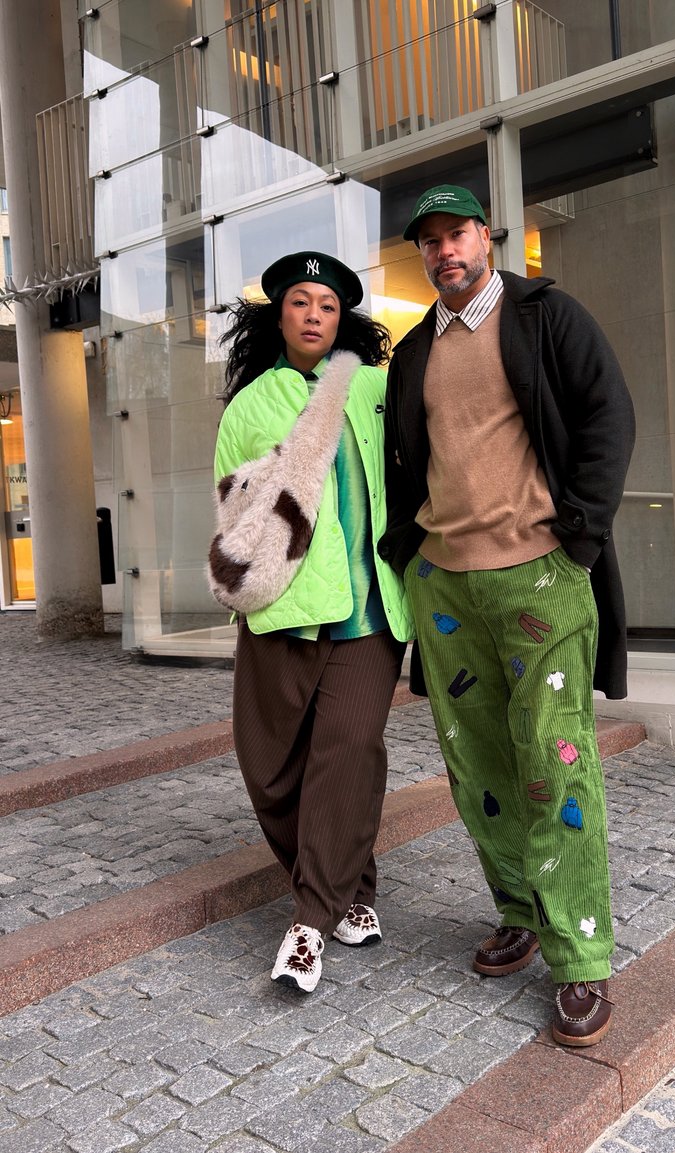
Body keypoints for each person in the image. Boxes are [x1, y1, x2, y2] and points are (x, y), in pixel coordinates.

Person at [378, 185, 635, 1046]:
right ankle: (520, 909)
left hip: (541, 577)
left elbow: (609, 416)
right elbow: (403, 465)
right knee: (479, 767)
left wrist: (581, 540)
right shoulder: (414, 351)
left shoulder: (545, 315)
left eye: (458, 233)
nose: (445, 250)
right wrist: (408, 558)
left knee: (554, 762)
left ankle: (581, 957)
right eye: (430, 241)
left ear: (487, 235)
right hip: (447, 586)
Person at [211, 251, 414, 994]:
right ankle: (352, 886)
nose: (314, 315)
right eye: (301, 302)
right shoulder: (249, 406)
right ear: (279, 314)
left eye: (327, 306)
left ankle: (310, 920)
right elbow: (232, 508)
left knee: (348, 749)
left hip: (367, 611)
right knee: (268, 767)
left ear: (343, 320)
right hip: (282, 610)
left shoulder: (375, 388)